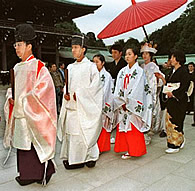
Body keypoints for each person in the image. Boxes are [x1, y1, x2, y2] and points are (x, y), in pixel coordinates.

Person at [3, 24, 57, 186]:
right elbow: (13, 90)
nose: (16, 48)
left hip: (33, 115)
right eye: (15, 45)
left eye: (19, 45)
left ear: (29, 46)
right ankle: (26, 174)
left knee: (34, 144)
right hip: (20, 114)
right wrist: (11, 97)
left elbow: (45, 91)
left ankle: (41, 172)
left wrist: (25, 100)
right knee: (22, 145)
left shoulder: (39, 67)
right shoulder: (17, 67)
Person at [58, 34, 103, 169]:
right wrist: (66, 93)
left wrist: (81, 95)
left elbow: (96, 87)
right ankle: (74, 158)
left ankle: (90, 157)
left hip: (84, 107)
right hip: (71, 106)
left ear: (83, 49)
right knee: (72, 133)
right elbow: (68, 85)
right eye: (72, 48)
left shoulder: (91, 67)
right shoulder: (70, 67)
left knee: (85, 132)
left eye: (76, 47)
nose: (73, 50)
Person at [113, 47, 153, 159]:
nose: (127, 56)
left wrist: (129, 102)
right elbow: (118, 87)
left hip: (133, 104)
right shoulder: (122, 71)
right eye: (126, 54)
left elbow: (138, 89)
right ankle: (125, 148)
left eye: (130, 54)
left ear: (135, 56)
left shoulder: (139, 71)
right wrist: (121, 101)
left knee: (133, 126)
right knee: (124, 126)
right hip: (123, 103)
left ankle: (135, 150)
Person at [163, 50, 190, 153]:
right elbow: (169, 84)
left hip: (179, 100)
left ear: (178, 59)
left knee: (176, 120)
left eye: (173, 57)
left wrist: (173, 93)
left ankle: (174, 145)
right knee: (170, 121)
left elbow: (184, 86)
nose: (171, 60)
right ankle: (180, 140)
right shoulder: (172, 71)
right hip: (171, 99)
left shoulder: (184, 71)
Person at [140, 42, 166, 144]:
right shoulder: (141, 66)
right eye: (143, 53)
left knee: (150, 112)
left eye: (147, 53)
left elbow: (160, 79)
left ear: (150, 55)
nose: (144, 55)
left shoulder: (153, 66)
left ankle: (149, 131)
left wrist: (159, 78)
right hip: (142, 93)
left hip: (150, 92)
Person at [93, 54, 114, 153]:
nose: (95, 64)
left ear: (103, 63)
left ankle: (101, 147)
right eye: (93, 62)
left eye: (97, 62)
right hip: (94, 103)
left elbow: (105, 91)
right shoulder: (92, 74)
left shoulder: (106, 76)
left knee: (103, 125)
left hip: (103, 103)